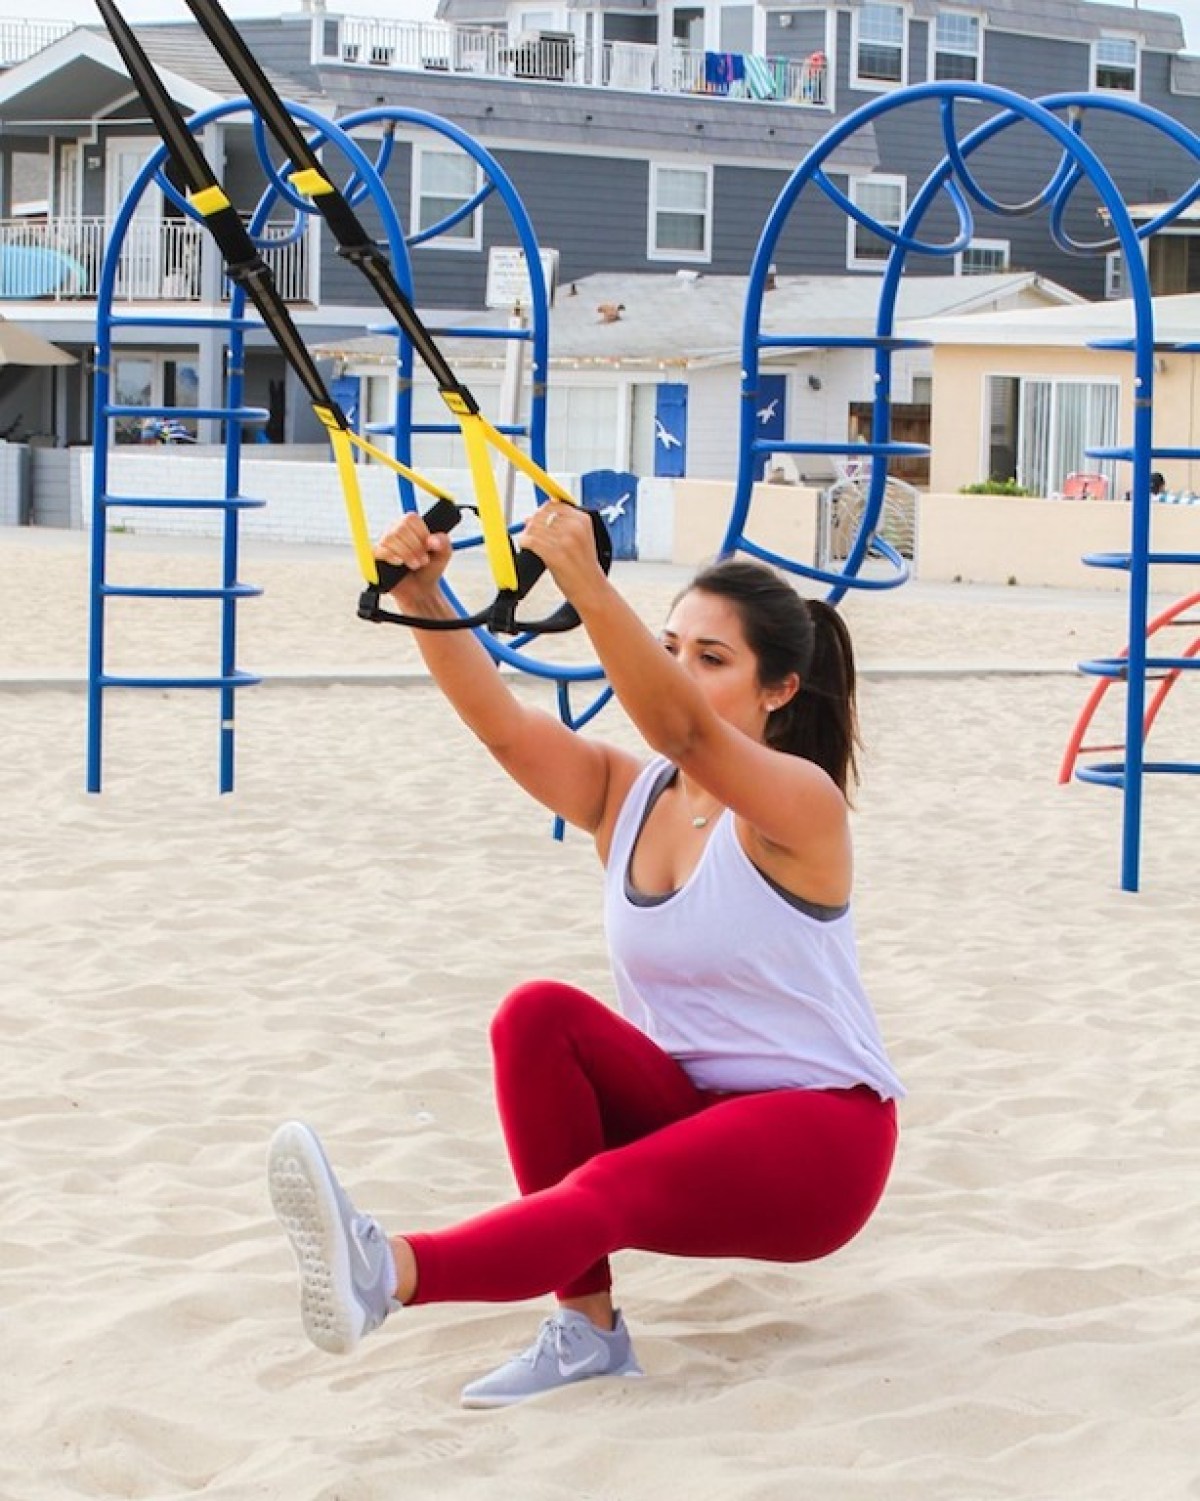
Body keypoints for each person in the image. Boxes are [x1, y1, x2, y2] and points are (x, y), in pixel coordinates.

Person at [267, 501, 904, 1408]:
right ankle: (588, 1330)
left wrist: (587, 583)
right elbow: (504, 727)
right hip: (690, 1113)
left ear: (781, 690)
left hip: (821, 1140)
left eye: (711, 658)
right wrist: (424, 594)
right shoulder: (629, 793)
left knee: (607, 1183)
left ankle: (388, 1271)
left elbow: (683, 730)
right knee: (537, 1015)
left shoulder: (799, 805)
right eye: (671, 645)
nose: (679, 670)